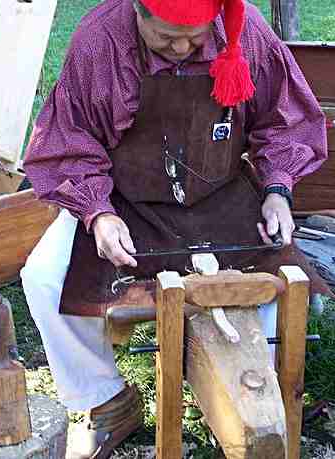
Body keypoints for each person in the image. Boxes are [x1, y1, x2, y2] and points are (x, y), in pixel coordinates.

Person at [21, 0, 328, 456]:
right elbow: (71, 140)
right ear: (138, 13)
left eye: (195, 37)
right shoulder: (100, 40)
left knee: (283, 281)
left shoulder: (246, 31)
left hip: (219, 194)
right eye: (166, 38)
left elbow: (284, 122)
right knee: (44, 277)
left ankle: (251, 392)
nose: (182, 47)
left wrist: (278, 191)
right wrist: (97, 214)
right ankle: (106, 399)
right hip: (124, 200)